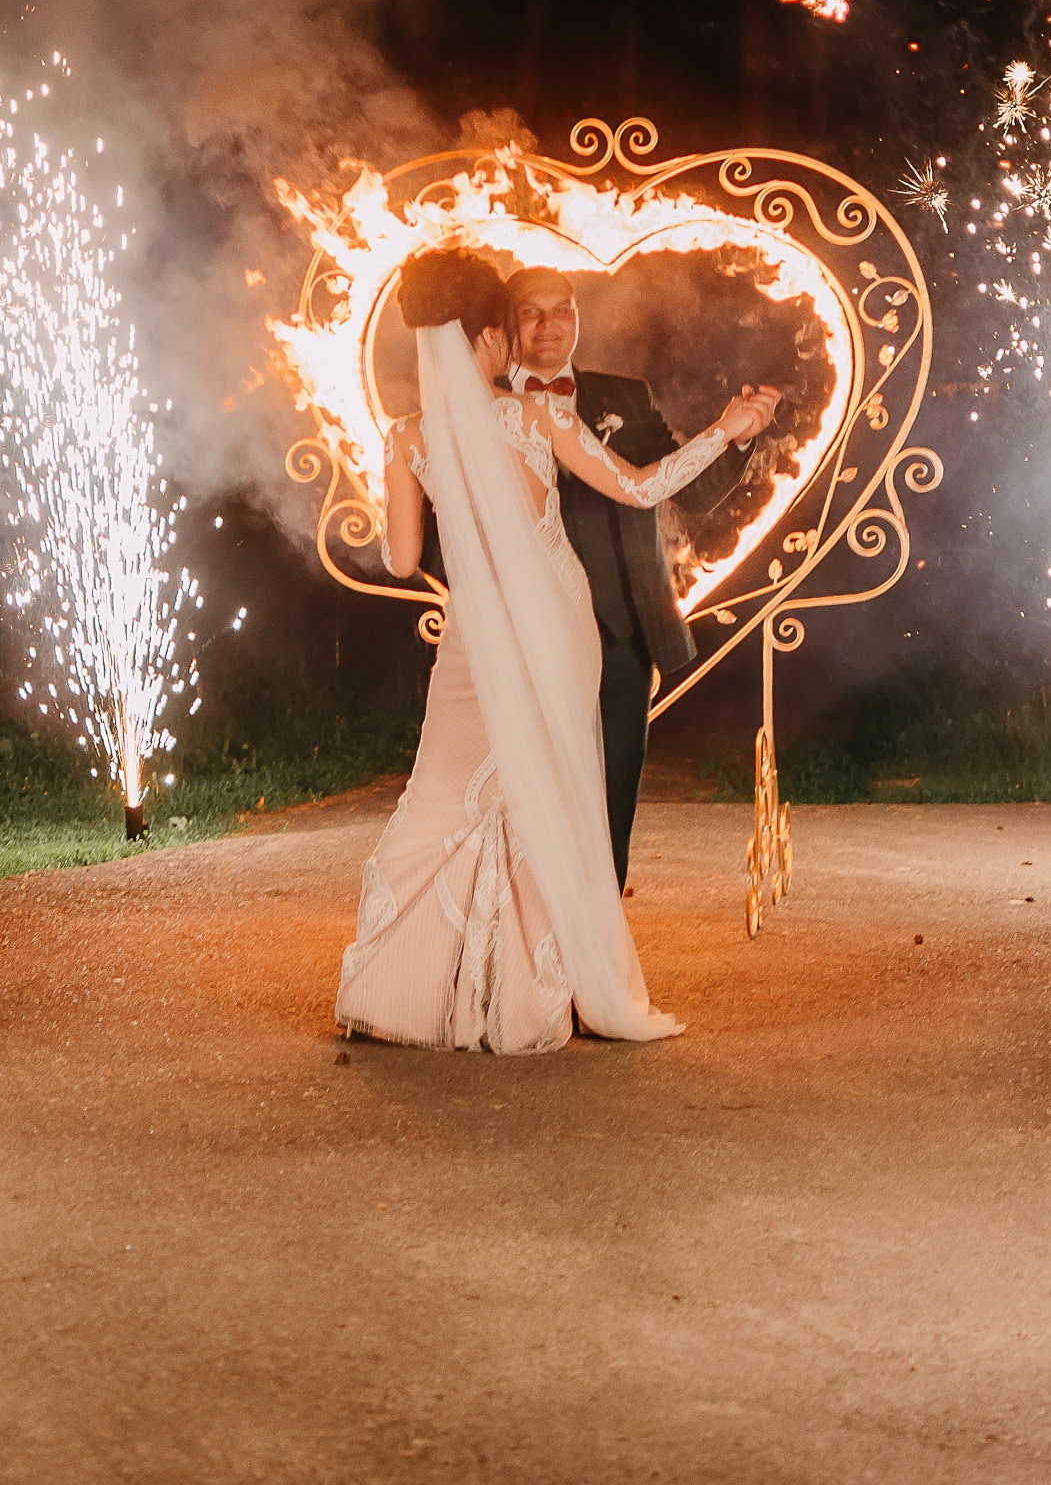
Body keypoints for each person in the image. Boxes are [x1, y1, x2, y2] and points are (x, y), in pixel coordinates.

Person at [333, 251, 781, 1053]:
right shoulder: (536, 419)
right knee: (552, 791)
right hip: (559, 623)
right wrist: (727, 429)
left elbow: (402, 561)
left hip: (475, 632)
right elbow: (641, 488)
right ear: (488, 335)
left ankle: (406, 988)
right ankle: (531, 989)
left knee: (442, 789)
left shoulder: (403, 438)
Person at [506, 266, 768, 888]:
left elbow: (694, 492)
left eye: (561, 310)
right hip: (524, 640)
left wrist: (737, 437)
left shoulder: (624, 397)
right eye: (530, 312)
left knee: (610, 812)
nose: (549, 325)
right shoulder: (480, 402)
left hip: (623, 642)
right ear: (506, 325)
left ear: (578, 318)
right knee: (526, 811)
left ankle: (595, 961)